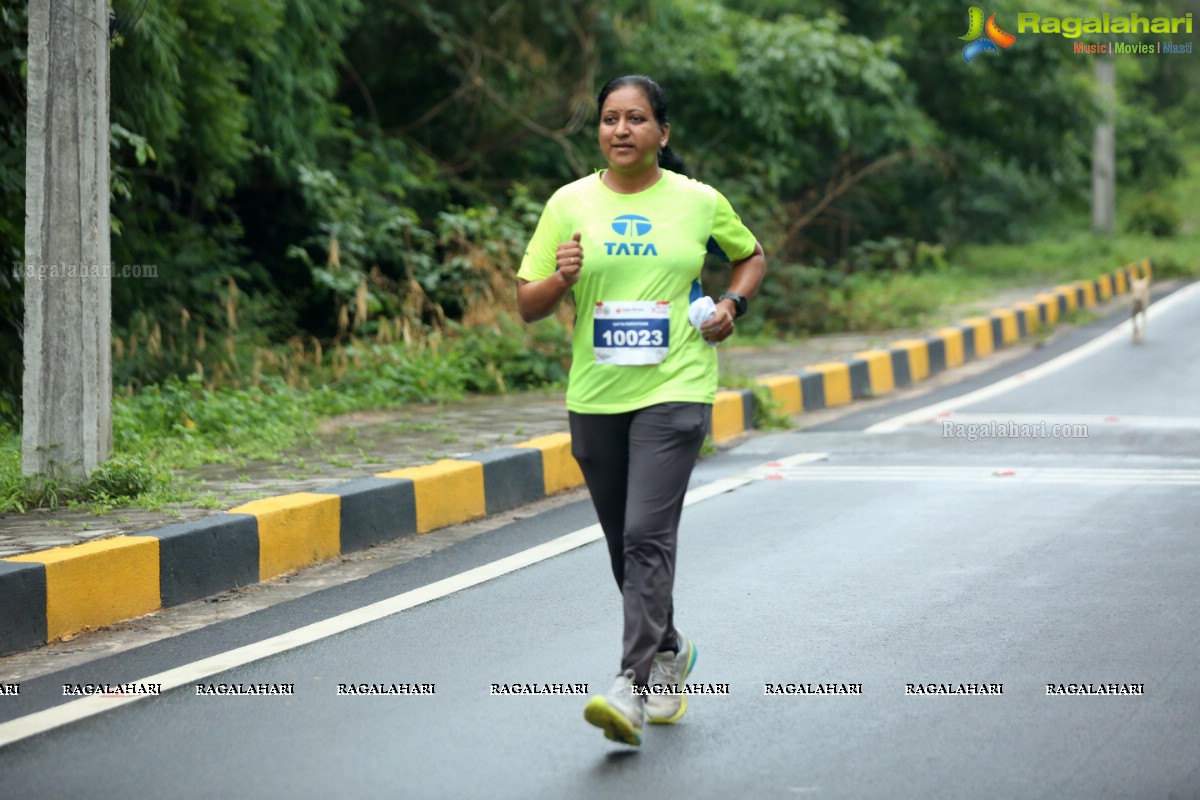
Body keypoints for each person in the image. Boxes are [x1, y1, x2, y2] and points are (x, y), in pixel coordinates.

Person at [516, 74, 767, 747]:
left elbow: (750, 257)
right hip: (595, 394)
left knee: (646, 537)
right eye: (608, 119)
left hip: (677, 387)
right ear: (598, 130)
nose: (620, 130)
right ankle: (668, 651)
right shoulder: (568, 203)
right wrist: (562, 278)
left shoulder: (697, 201)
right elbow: (528, 305)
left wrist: (730, 307)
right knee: (623, 547)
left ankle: (631, 686)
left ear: (663, 131)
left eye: (635, 119)